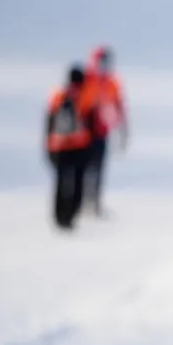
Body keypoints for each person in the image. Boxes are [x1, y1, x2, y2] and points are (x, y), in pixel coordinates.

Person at [45, 65, 98, 230]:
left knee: (61, 183)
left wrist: (49, 148)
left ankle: (59, 216)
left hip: (59, 146)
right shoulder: (86, 97)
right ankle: (71, 216)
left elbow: (49, 123)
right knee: (77, 183)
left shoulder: (57, 96)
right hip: (79, 147)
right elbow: (92, 126)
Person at [79, 44, 128, 215]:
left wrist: (123, 130)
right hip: (83, 132)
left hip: (101, 131)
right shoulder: (85, 80)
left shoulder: (112, 83)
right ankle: (80, 202)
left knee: (98, 168)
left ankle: (94, 203)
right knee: (83, 168)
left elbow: (119, 106)